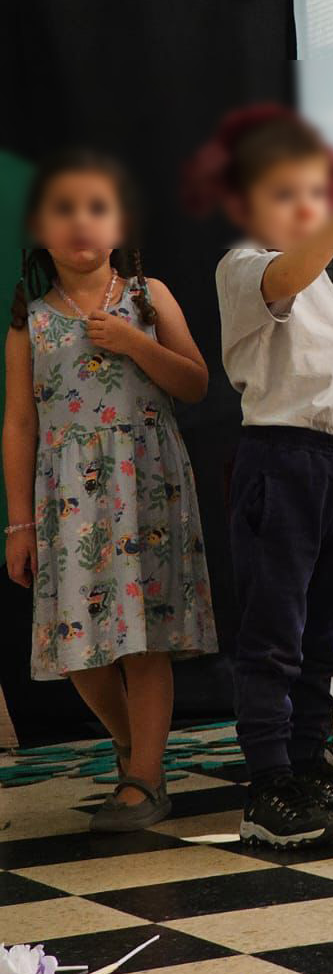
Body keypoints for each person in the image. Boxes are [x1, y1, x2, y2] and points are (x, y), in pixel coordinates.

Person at [3, 149, 216, 831]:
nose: (80, 224)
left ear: (120, 223)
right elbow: (18, 422)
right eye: (64, 210)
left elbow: (194, 383)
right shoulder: (30, 321)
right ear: (40, 226)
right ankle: (132, 750)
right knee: (79, 648)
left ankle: (147, 779)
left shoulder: (147, 299)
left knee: (145, 638)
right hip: (68, 499)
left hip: (145, 484)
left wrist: (134, 343)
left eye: (96, 208)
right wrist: (18, 524)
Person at [210, 108, 333, 848]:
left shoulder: (326, 285)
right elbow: (288, 270)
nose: (306, 207)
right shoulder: (246, 266)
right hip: (282, 465)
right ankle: (268, 783)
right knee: (273, 631)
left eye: (316, 193)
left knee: (326, 632)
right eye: (286, 194)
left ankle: (310, 762)